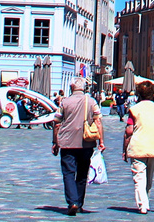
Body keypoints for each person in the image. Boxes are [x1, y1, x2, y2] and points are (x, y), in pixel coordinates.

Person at [52, 79, 99, 216]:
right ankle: (78, 204)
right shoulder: (91, 102)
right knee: (83, 174)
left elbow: (56, 123)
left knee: (68, 172)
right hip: (86, 142)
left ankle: (72, 202)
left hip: (67, 143)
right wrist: (101, 141)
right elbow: (98, 121)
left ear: (72, 87)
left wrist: (55, 142)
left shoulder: (64, 102)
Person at [123, 81, 154, 215]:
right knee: (149, 177)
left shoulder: (134, 109)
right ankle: (145, 201)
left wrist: (124, 149)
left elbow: (129, 131)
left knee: (139, 177)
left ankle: (142, 204)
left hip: (137, 147)